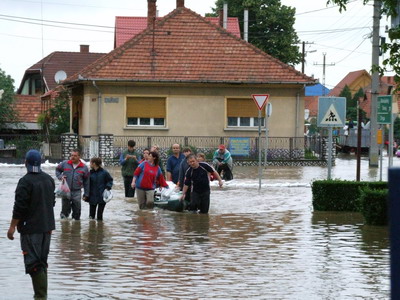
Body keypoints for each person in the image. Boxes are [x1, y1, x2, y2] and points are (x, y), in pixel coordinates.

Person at [7, 149, 55, 299]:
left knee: (34, 264)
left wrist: (12, 226)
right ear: (40, 163)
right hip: (47, 228)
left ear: (25, 163)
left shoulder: (25, 181)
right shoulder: (49, 179)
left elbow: (19, 207)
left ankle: (40, 297)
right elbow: (51, 202)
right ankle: (42, 296)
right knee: (42, 262)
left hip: (31, 229)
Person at [56, 149, 90, 220]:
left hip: (77, 191)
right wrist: (60, 176)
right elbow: (57, 170)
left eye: (75, 156)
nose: (73, 157)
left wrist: (86, 194)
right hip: (65, 190)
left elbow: (86, 182)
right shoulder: (65, 163)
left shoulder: (84, 167)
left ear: (79, 157)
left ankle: (76, 226)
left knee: (77, 210)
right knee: (64, 210)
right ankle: (65, 226)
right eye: (71, 155)